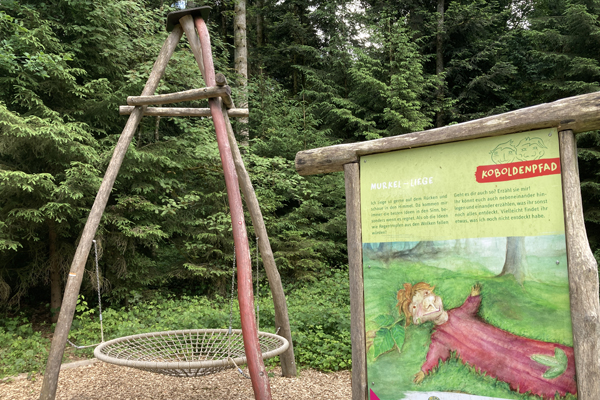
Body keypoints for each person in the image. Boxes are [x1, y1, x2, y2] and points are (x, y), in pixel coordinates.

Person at [397, 282, 577, 399]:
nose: (430, 303)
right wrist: (424, 371)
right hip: (489, 361)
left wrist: (474, 296)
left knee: (523, 349)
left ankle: (567, 364)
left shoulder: (458, 313)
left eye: (428, 296)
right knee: (516, 370)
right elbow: (435, 354)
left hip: (500, 340)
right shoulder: (440, 337)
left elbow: (470, 307)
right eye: (421, 306)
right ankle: (554, 384)